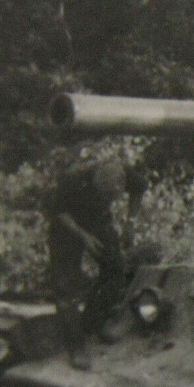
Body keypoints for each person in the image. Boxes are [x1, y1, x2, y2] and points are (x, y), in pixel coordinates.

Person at [47, 157, 135, 369]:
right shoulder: (72, 178)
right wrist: (83, 236)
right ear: (95, 183)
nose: (109, 200)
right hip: (66, 226)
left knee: (116, 266)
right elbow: (57, 211)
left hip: (97, 219)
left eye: (112, 198)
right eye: (105, 196)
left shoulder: (128, 173)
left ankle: (94, 322)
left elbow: (139, 189)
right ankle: (76, 345)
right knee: (66, 283)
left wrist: (131, 222)